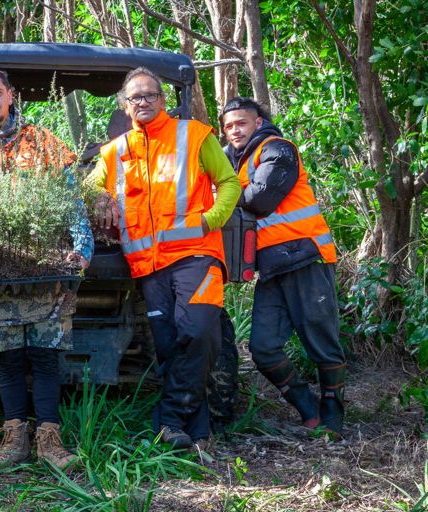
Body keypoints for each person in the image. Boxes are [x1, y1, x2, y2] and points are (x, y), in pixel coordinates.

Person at [0, 67, 93, 470]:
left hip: (45, 269)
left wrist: (83, 248)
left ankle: (50, 442)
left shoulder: (43, 142)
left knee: (45, 356)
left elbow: (72, 199)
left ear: (10, 96)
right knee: (9, 358)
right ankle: (14, 442)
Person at [88, 67, 241, 449]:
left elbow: (229, 181)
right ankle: (196, 431)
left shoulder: (193, 135)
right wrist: (99, 196)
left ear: (163, 99)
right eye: (135, 97)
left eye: (150, 95)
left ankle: (169, 416)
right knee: (171, 346)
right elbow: (89, 184)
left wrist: (212, 220)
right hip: (149, 265)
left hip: (195, 253)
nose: (143, 102)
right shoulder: (115, 150)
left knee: (201, 332)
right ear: (125, 105)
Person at [221, 97, 345, 437]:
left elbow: (261, 198)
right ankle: (308, 406)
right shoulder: (234, 161)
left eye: (241, 123)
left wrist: (227, 193)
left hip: (306, 257)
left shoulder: (278, 148)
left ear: (258, 123)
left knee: (321, 341)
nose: (234, 130)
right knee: (262, 347)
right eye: (229, 125)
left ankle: (333, 412)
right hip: (272, 268)